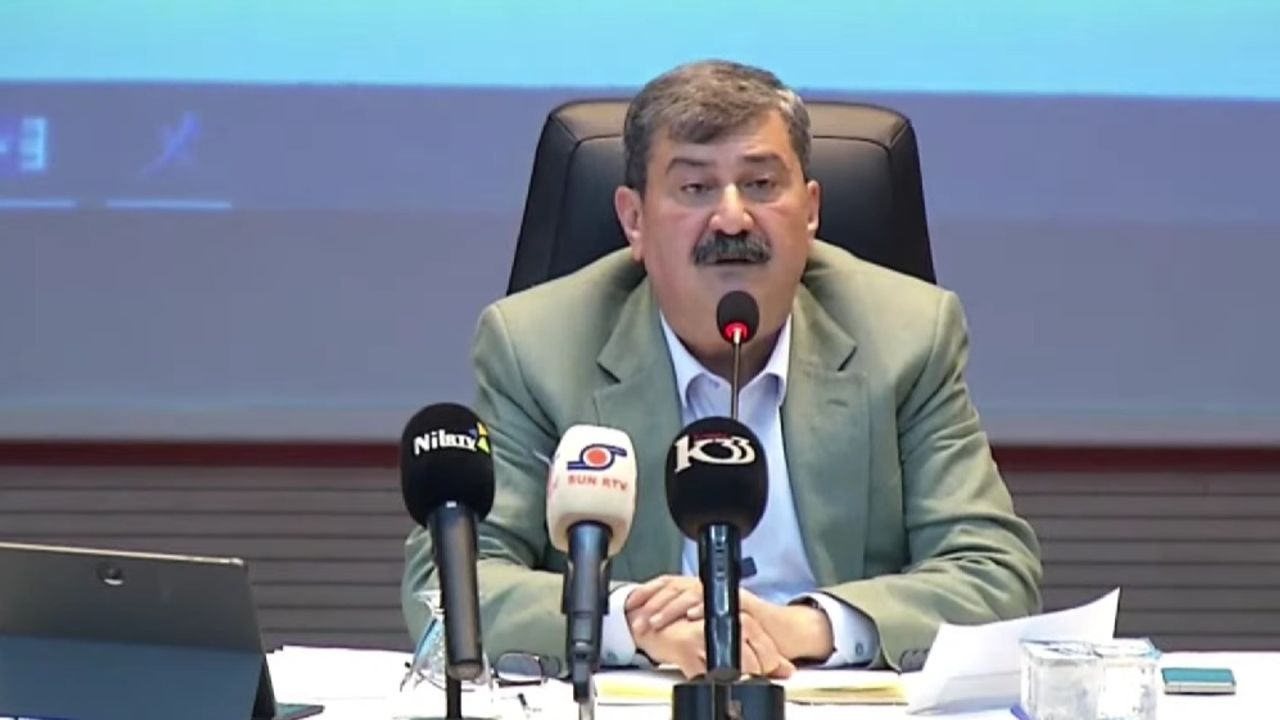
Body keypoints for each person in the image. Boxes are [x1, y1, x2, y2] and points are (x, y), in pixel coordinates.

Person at [402, 59, 1042, 679]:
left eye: (761, 184)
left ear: (810, 211)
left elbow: (994, 573)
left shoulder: (907, 335)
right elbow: (449, 586)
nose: (733, 218)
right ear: (634, 220)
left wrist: (809, 626)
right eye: (695, 188)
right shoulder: (538, 346)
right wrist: (631, 622)